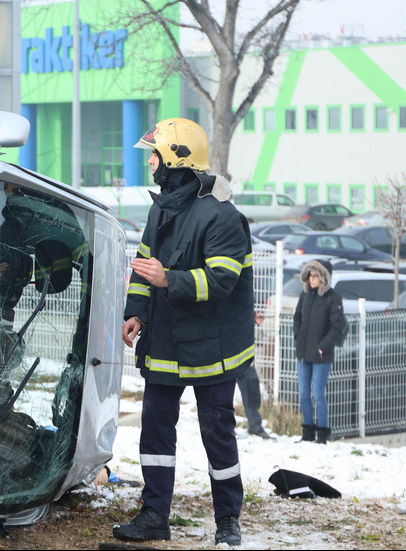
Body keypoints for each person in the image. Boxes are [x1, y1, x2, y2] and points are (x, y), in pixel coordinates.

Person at [112, 118, 254, 547]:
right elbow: (143, 265)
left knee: (217, 434)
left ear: (175, 159)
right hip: (165, 344)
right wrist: (135, 310)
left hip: (214, 349)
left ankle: (228, 520)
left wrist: (167, 280)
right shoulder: (161, 208)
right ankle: (154, 515)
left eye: (154, 154)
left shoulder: (222, 216)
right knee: (155, 431)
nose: (150, 161)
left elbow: (223, 281)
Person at [293, 259, 347, 445]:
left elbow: (337, 326)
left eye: (316, 275)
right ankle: (307, 433)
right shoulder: (305, 295)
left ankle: (322, 435)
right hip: (303, 353)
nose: (312, 279)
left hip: (321, 356)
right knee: (303, 394)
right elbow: (297, 318)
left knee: (318, 394)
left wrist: (322, 346)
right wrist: (298, 337)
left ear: (323, 278)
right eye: (310, 275)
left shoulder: (333, 298)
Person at [238, 311, 271, 439]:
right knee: (224, 394)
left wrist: (253, 316)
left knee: (251, 382)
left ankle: (255, 427)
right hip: (223, 348)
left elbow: (240, 306)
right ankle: (225, 427)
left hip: (240, 350)